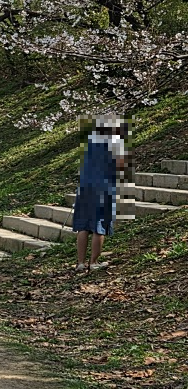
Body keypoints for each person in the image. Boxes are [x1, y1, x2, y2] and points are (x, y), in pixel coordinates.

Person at [71, 114, 129, 273]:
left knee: (83, 225)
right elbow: (121, 164)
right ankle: (94, 262)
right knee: (99, 225)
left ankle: (80, 263)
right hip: (103, 187)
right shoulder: (115, 141)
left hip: (84, 186)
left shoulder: (91, 139)